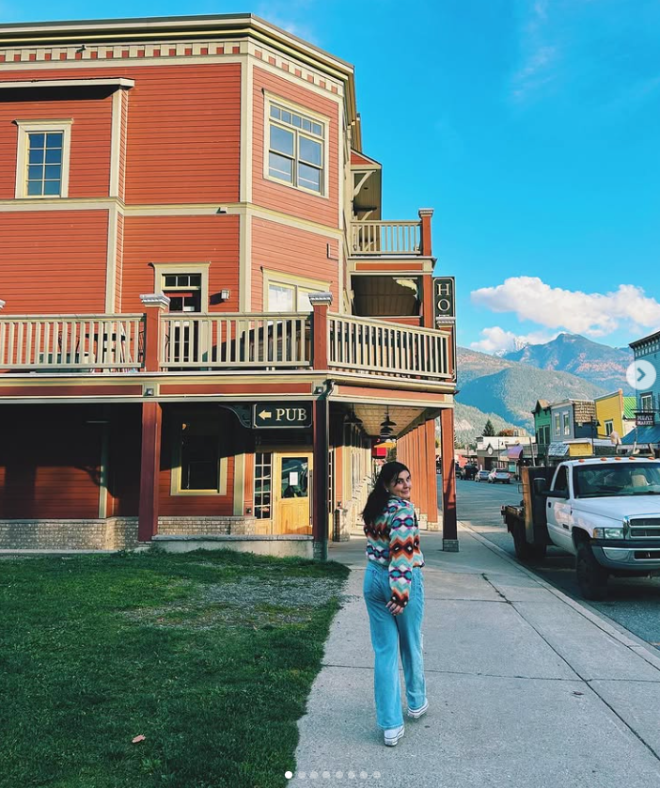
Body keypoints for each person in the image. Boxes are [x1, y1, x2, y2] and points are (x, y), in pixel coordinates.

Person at [361, 461, 427, 747]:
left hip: (372, 578)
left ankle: (390, 726)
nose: (406, 485)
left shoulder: (374, 507)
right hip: (398, 581)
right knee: (411, 642)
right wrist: (400, 594)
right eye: (399, 481)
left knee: (384, 652)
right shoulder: (403, 511)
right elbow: (401, 553)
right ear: (387, 484)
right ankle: (416, 701)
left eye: (408, 479)